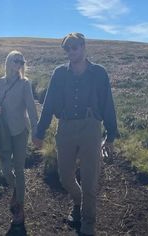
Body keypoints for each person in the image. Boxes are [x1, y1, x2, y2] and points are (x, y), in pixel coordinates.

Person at [33, 33, 118, 236]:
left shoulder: (99, 73)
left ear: (83, 47)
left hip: (91, 128)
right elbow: (49, 104)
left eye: (74, 47)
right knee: (65, 177)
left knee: (90, 180)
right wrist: (40, 130)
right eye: (67, 49)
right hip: (66, 127)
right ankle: (77, 202)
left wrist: (111, 135)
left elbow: (108, 104)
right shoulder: (59, 73)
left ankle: (88, 223)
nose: (71, 52)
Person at [0, 50, 38, 226]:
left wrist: (36, 130)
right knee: (5, 168)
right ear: (8, 62)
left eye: (21, 62)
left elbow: (31, 108)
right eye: (16, 61)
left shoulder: (24, 84)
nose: (19, 64)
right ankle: (17, 190)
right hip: (3, 131)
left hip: (20, 131)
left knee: (19, 169)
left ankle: (20, 206)